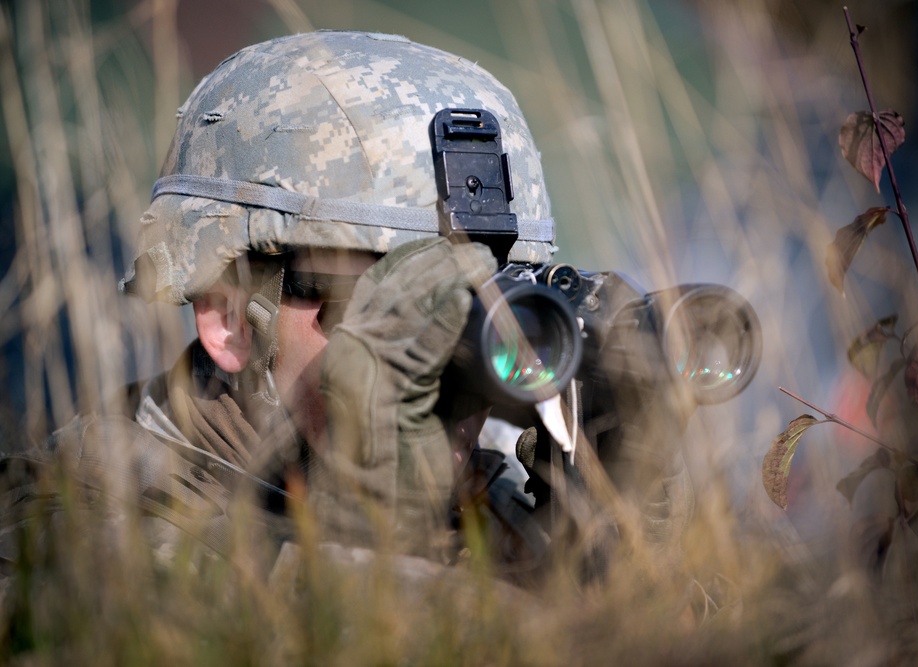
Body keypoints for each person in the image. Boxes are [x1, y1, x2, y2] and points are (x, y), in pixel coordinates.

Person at [2, 30, 693, 579]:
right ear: (233, 318)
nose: (454, 356)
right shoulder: (73, 547)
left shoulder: (496, 502)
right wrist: (380, 521)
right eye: (407, 302)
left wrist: (614, 536)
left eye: (491, 300)